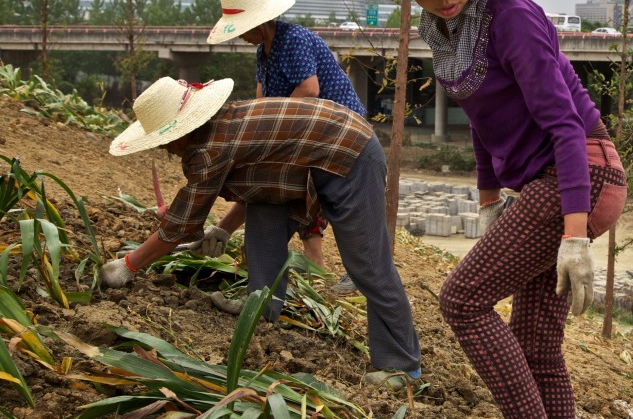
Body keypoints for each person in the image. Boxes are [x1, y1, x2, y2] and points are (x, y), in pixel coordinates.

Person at [335, 0, 628, 419]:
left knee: (462, 300)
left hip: (579, 175)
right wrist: (490, 197)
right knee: (537, 350)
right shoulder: (444, 31)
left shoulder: (511, 19)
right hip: (551, 183)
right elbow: (482, 118)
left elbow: (567, 128)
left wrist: (573, 234)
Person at [99, 76, 421, 388]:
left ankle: (401, 364)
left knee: (368, 263)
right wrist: (223, 230)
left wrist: (127, 266)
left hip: (349, 153)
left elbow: (181, 225)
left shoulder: (210, 148)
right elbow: (259, 182)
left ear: (184, 130)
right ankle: (261, 306)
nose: (168, 150)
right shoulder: (224, 126)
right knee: (264, 215)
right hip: (310, 155)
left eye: (166, 141)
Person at [207, 0, 364, 292]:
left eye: (242, 28)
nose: (240, 35)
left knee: (329, 199)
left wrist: (271, 136)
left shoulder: (293, 40)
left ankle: (354, 277)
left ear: (260, 21)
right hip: (305, 134)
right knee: (276, 187)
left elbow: (309, 89)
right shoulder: (263, 53)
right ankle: (310, 275)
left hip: (338, 133)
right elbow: (262, 102)